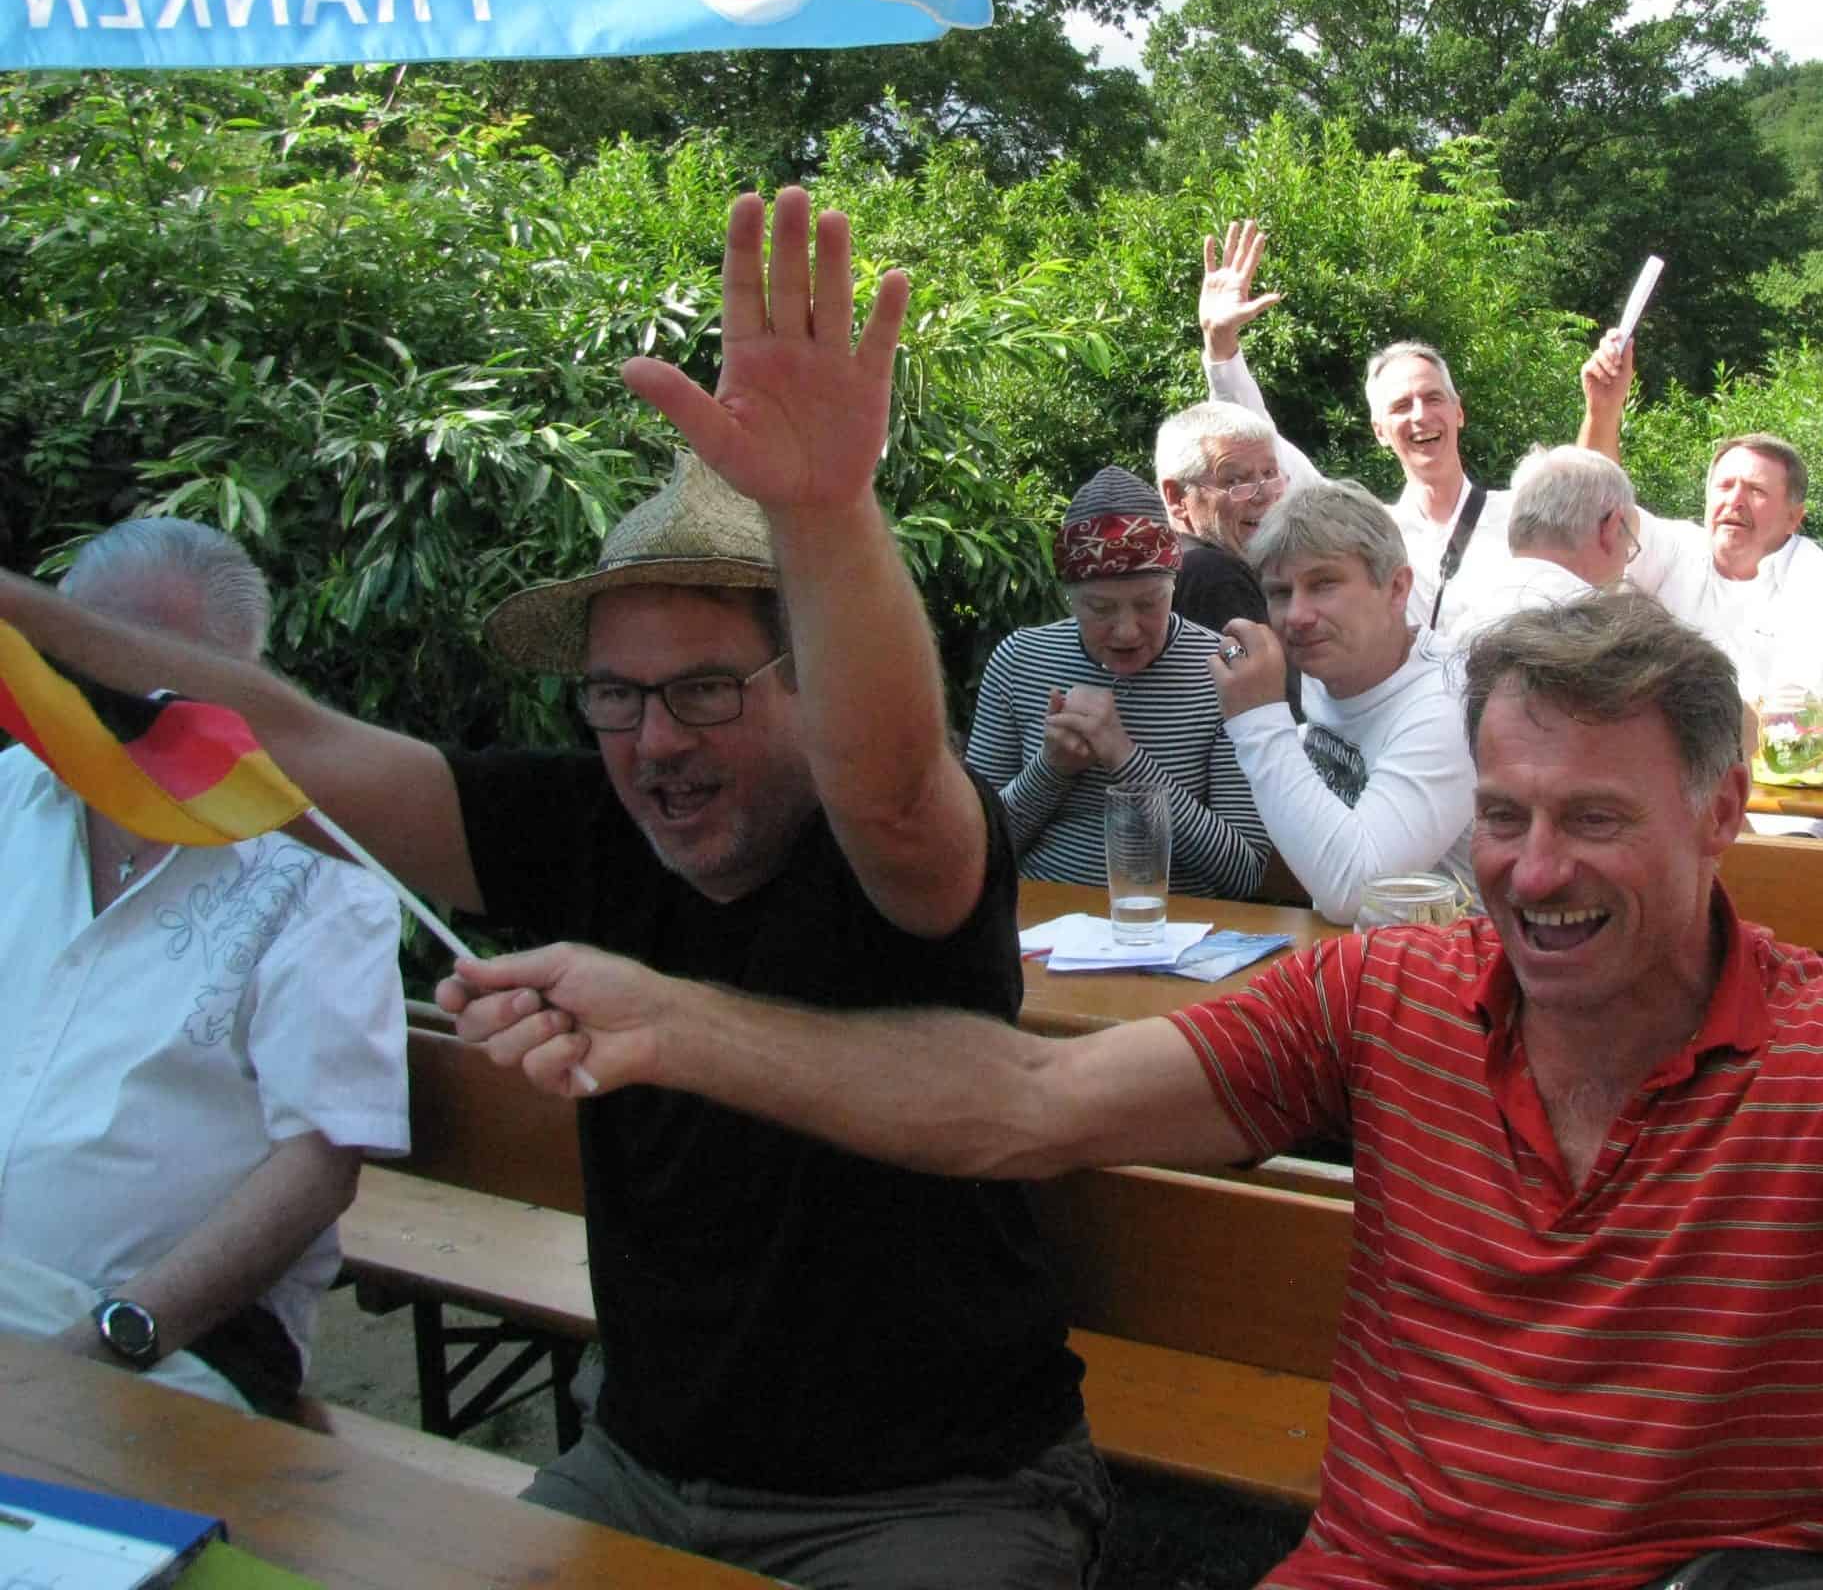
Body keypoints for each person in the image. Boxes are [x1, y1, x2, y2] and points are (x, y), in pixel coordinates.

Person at [437, 586, 1823, 1590]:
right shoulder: (1392, 1007)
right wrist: (666, 1018)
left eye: (1592, 823)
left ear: (1721, 814)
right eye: (1504, 814)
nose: (1530, 870)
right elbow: (1011, 1112)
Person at [0, 192, 1102, 1590]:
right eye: (615, 695)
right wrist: (21, 620)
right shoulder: (582, 820)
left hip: (937, 1504)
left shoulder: (889, 845)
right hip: (633, 1474)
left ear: (806, 683)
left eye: (706, 689)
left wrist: (825, 509)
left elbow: (890, 780)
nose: (653, 741)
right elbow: (306, 750)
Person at [0, 518, 407, 1418]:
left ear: (238, 687)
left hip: (164, 1342)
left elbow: (319, 1162)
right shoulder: (9, 799)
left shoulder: (315, 868)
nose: (104, 693)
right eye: (77, 656)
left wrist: (112, 1338)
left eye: (146, 673)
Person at [964, 467, 1268, 897]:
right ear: (1068, 597)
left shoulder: (1224, 670)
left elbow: (1243, 871)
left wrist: (1123, 757)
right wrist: (1051, 769)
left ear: (1174, 585)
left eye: (1149, 603)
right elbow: (971, 849)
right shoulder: (1021, 660)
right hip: (1039, 929)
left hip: (1177, 931)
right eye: (1100, 609)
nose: (1127, 631)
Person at [1197, 219, 1512, 630]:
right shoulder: (1369, 529)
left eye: (1433, 398)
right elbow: (1265, 446)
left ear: (1459, 412)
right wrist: (1221, 348)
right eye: (1400, 406)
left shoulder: (1519, 516)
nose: (1420, 415)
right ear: (1379, 430)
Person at [1208, 478, 1475, 922]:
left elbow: (1362, 894)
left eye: (1324, 584)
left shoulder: (1448, 698)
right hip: (1359, 960)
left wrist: (1258, 721)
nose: (1297, 616)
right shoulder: (1329, 669)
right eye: (1280, 592)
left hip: (1466, 971)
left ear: (1396, 588)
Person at [1578, 335, 1823, 720]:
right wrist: (1603, 410)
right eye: (1726, 486)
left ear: (1794, 518)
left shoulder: (1818, 585)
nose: (1736, 501)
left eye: (1757, 490)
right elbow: (1600, 515)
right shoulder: (1679, 548)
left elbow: (1804, 726)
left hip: (1766, 774)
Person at [1432, 444, 1641, 648]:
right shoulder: (1610, 647)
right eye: (1629, 546)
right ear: (1611, 528)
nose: (1625, 566)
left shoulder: (1455, 620)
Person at [1153, 399, 1287, 634]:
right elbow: (1251, 668)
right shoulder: (1212, 575)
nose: (1264, 494)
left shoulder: (1170, 566)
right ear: (1176, 497)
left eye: (1270, 473)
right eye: (1235, 480)